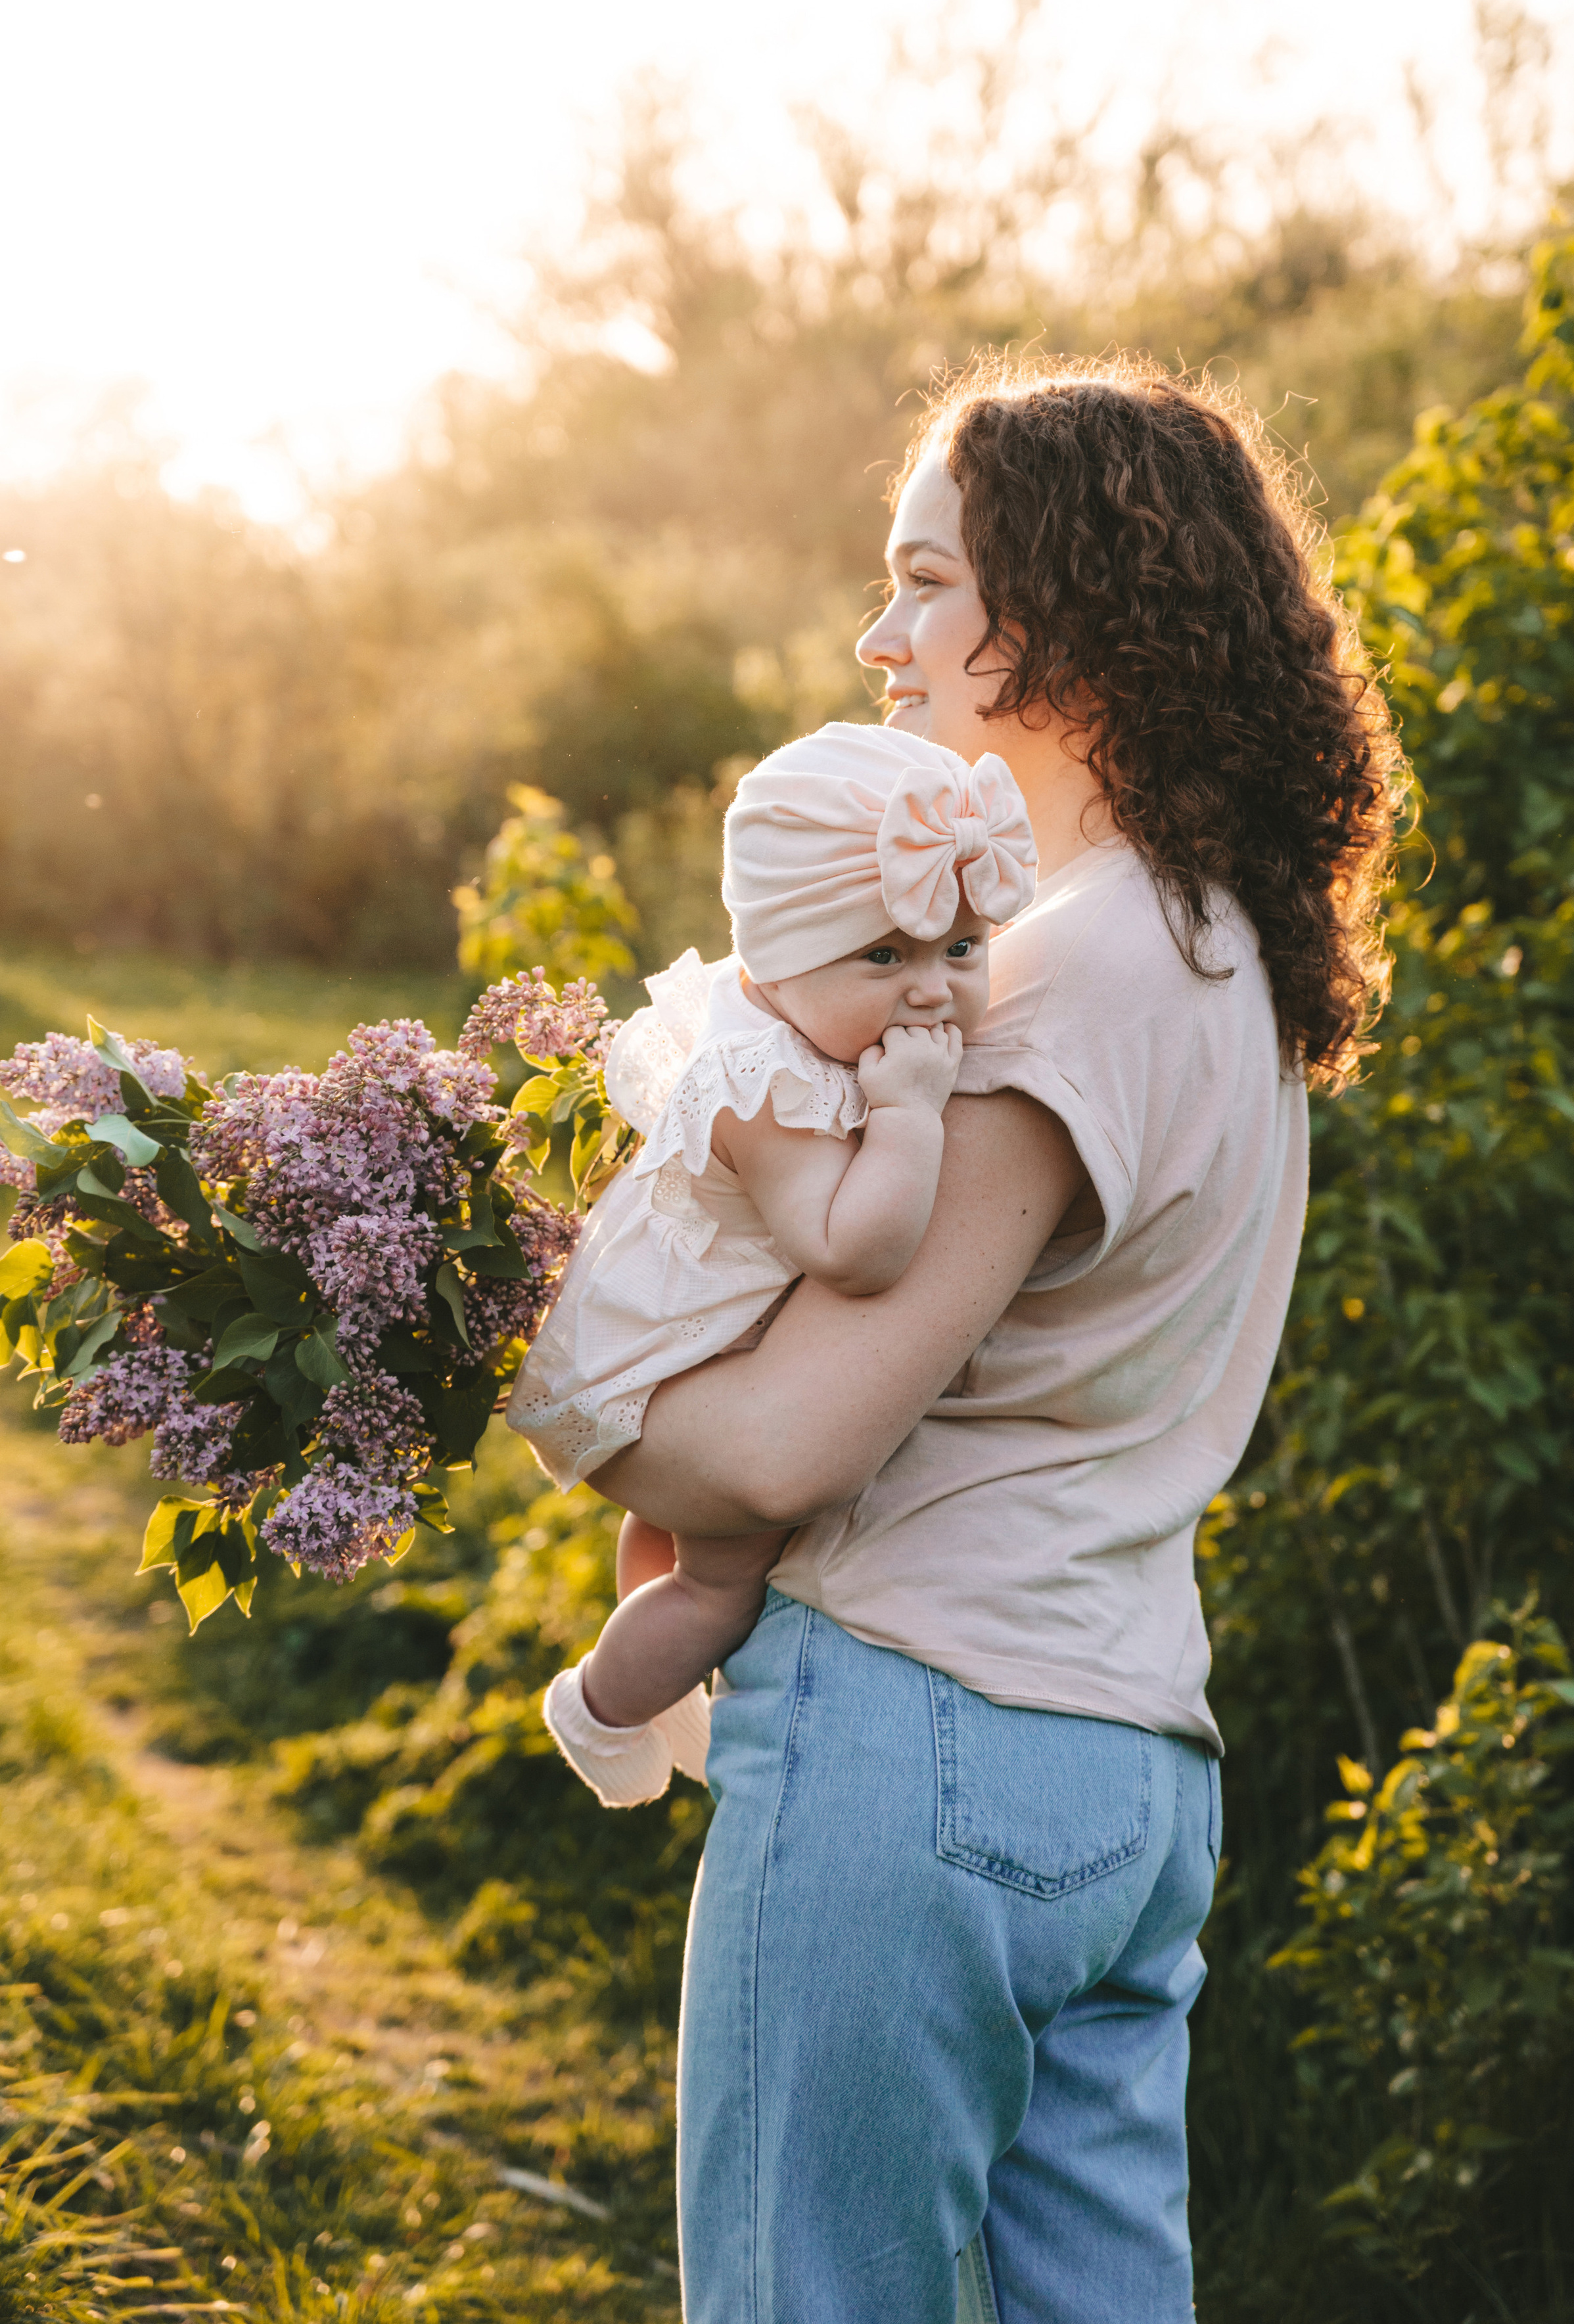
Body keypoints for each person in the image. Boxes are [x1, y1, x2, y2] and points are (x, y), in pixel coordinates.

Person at [587, 354, 1402, 2324]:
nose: (883, 639)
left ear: (1068, 618)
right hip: (1130, 1777)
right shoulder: (1222, 948)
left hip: (926, 1739)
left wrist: (561, 1393)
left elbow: (790, 1453)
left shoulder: (1063, 970)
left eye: (925, 583)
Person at [507, 722, 1038, 1804]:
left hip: (680, 1341)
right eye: (884, 956)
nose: (932, 991)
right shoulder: (768, 1090)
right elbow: (852, 1254)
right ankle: (604, 1702)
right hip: (656, 1376)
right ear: (775, 960)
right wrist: (911, 1119)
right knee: (723, 1584)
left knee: (672, 1535)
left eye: (963, 949)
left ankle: (651, 1668)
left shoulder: (789, 1024)